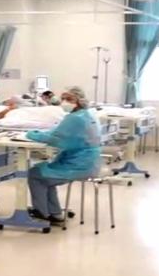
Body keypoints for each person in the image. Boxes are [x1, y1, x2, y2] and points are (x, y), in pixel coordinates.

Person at [25, 87, 102, 223]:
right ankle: (54, 213)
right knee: (44, 171)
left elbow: (55, 139)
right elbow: (58, 133)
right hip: (88, 162)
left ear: (79, 101)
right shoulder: (87, 115)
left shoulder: (75, 119)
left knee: (35, 174)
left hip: (78, 165)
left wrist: (31, 134)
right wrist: (42, 133)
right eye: (63, 98)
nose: (65, 102)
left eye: (69, 99)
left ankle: (42, 213)